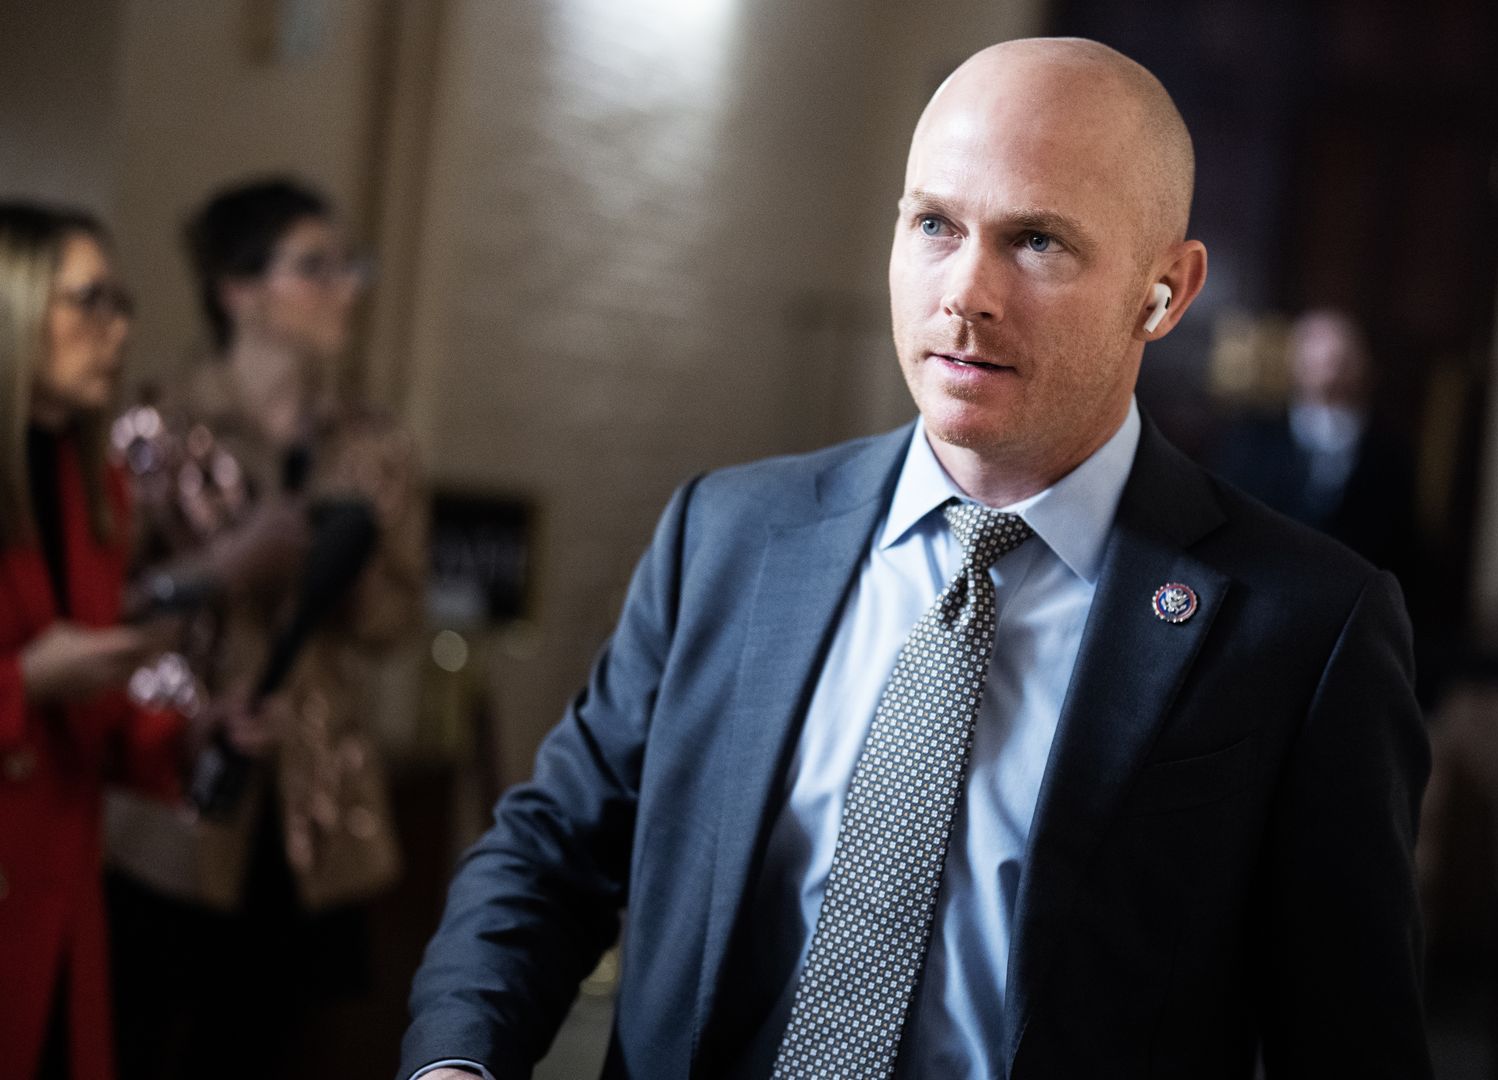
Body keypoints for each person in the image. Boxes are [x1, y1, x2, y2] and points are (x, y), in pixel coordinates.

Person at [403, 38, 1431, 1080]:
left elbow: (1353, 1046)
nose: (966, 293)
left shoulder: (1306, 630)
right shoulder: (728, 536)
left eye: (1036, 241)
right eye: (935, 224)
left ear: (1164, 291)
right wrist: (457, 1065)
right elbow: (550, 855)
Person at [103, 178, 425, 1079]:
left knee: (284, 1051)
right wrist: (225, 566)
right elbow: (99, 610)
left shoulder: (373, 444)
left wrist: (348, 578)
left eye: (348, 266)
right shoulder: (153, 426)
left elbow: (395, 621)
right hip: (173, 800)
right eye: (314, 267)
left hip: (317, 805)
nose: (347, 287)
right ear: (237, 288)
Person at [0, 202, 188, 1080]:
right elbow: (39, 684)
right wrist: (24, 683)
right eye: (90, 301)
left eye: (123, 303)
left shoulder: (94, 484)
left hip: (59, 892)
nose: (117, 329)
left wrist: (195, 733)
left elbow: (90, 720)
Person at [1208, 309, 1419, 579]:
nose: (1330, 373)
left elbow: (1400, 544)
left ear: (1364, 365)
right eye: (1317, 361)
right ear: (1295, 363)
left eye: (1341, 361)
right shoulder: (1250, 440)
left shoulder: (1390, 452)